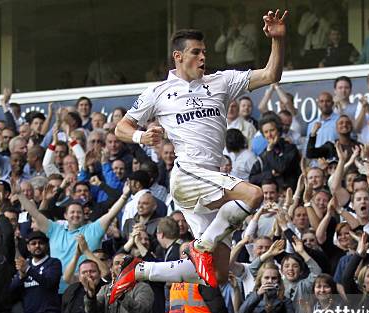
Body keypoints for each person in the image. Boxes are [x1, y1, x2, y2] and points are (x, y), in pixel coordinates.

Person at [112, 10, 288, 298]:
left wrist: (278, 40)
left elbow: (271, 74)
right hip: (188, 175)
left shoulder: (221, 81)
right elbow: (121, 127)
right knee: (254, 195)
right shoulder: (159, 91)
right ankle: (200, 246)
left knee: (217, 275)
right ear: (178, 56)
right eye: (196, 52)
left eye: (204, 52)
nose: (203, 58)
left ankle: (140, 271)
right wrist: (140, 136)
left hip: (212, 177)